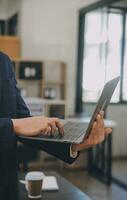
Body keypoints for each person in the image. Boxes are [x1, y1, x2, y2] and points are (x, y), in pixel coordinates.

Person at [0, 51, 112, 200]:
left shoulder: (4, 61)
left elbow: (24, 123)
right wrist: (13, 125)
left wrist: (73, 145)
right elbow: (18, 124)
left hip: (7, 184)